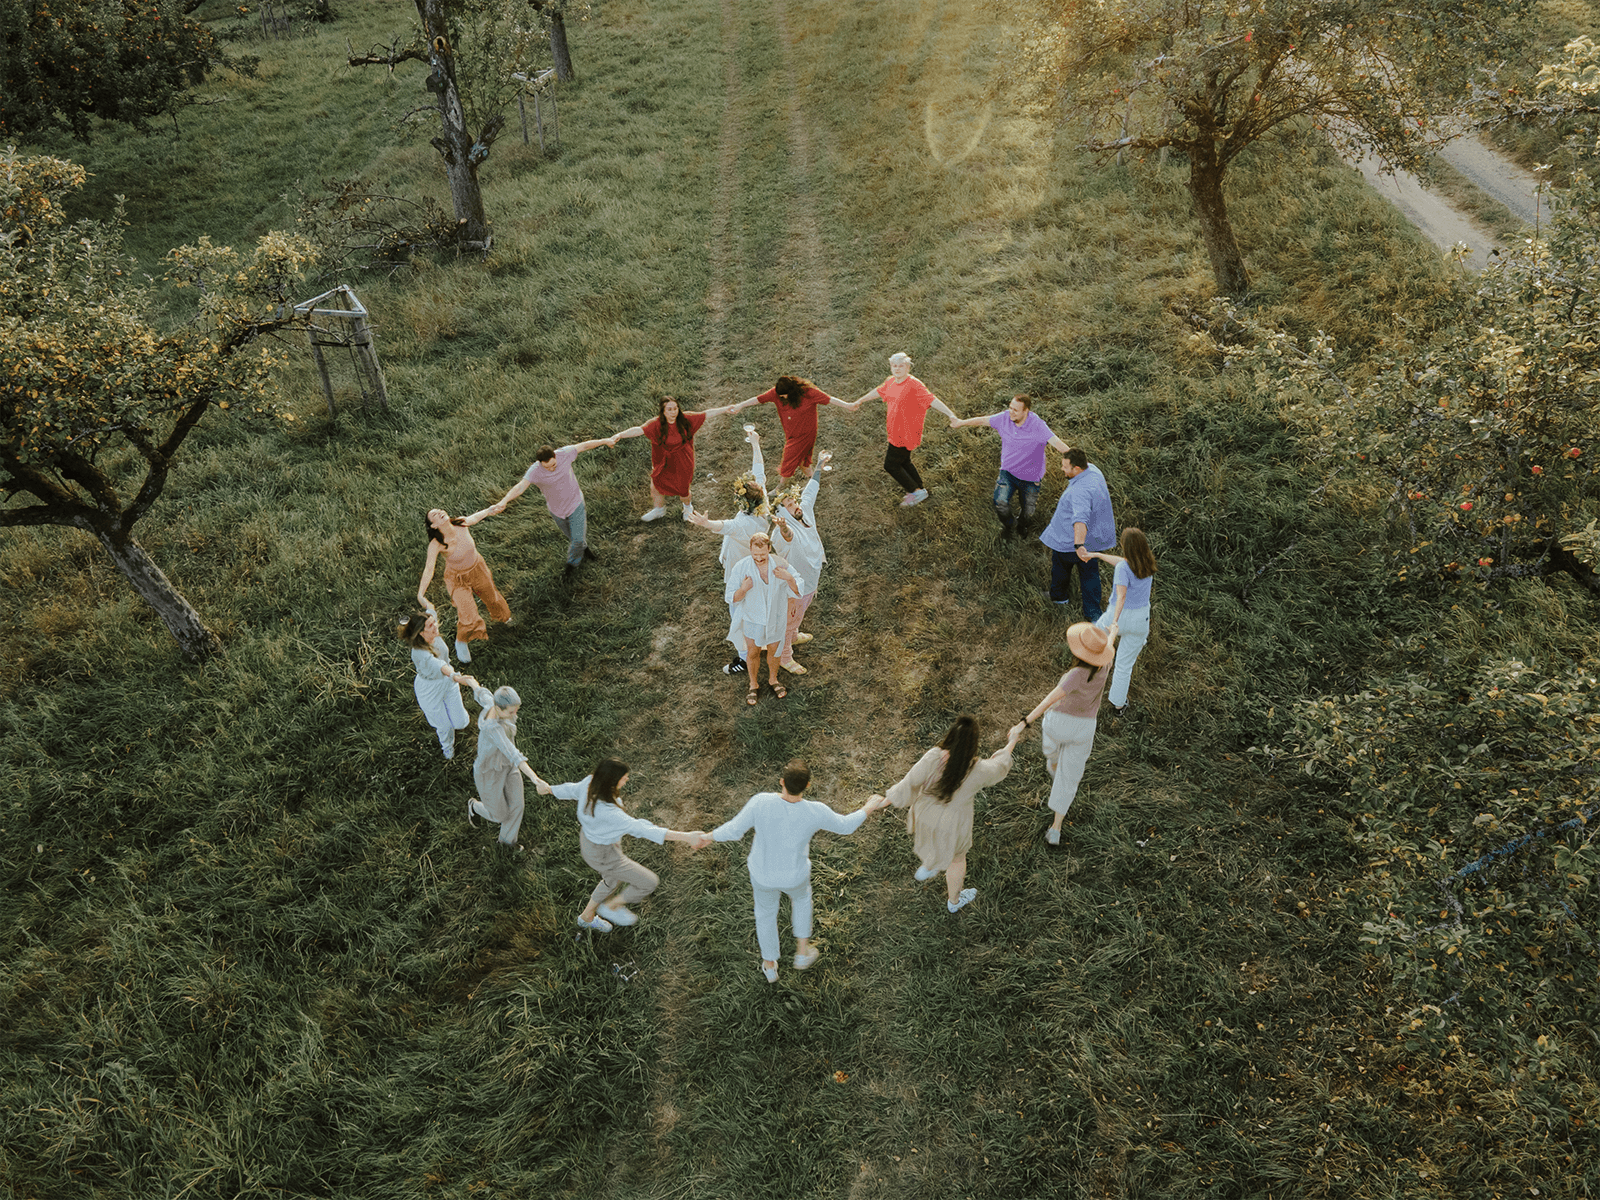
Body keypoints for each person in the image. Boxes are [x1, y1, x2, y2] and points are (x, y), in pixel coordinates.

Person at [710, 761, 890, 982]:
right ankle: (802, 953)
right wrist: (869, 806)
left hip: (762, 875)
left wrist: (708, 837)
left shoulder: (761, 802)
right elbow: (845, 826)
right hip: (795, 876)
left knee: (765, 915)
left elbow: (734, 829)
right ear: (807, 786)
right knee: (803, 901)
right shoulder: (815, 811)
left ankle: (769, 966)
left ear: (782, 782)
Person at [532, 758, 709, 932]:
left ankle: (586, 917)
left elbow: (571, 789)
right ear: (612, 782)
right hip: (604, 854)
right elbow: (643, 829)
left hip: (590, 843)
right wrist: (687, 837)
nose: (627, 779)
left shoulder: (590, 784)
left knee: (611, 881)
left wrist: (549, 789)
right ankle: (611, 907)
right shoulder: (609, 813)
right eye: (624, 777)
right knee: (648, 882)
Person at [884, 716, 1023, 913]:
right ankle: (954, 901)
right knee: (957, 859)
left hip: (925, 814)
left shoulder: (933, 756)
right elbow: (999, 766)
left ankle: (929, 866)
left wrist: (887, 799)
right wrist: (1012, 741)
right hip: (953, 824)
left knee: (932, 838)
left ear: (950, 736)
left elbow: (909, 782)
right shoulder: (977, 770)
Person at [1010, 622, 1117, 845]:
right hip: (1086, 728)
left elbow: (1049, 700)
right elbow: (1110, 646)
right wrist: (1113, 632)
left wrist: (1023, 723)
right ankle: (1055, 828)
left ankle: (1053, 762)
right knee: (1070, 777)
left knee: (1051, 748)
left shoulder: (1075, 674)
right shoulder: (1106, 664)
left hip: (1060, 724)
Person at [688, 429, 775, 676]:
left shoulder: (745, 524)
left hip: (741, 570)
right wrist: (756, 444)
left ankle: (745, 658)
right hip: (755, 564)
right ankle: (764, 638)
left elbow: (724, 526)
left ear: (743, 503)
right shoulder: (762, 501)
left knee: (738, 612)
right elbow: (759, 470)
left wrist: (705, 523)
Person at [491, 437, 619, 578]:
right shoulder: (535, 471)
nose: (551, 469)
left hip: (575, 504)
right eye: (547, 467)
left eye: (553, 465)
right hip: (557, 511)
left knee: (576, 540)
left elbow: (585, 446)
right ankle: (584, 549)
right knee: (574, 538)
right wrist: (504, 501)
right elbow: (520, 487)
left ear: (555, 456)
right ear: (540, 463)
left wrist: (606, 441)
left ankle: (571, 565)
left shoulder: (564, 453)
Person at [949, 394, 1069, 540]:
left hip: (1031, 478)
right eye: (1010, 408)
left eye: (1015, 410)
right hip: (1008, 472)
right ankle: (1010, 525)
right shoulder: (1004, 418)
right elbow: (983, 420)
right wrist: (961, 422)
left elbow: (1057, 443)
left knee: (1028, 511)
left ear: (1026, 411)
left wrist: (1077, 460)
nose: (1011, 412)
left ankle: (1022, 525)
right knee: (999, 503)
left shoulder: (1038, 426)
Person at [852, 352, 963, 507]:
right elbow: (879, 391)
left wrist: (951, 414)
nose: (897, 369)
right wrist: (860, 400)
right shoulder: (891, 381)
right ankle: (919, 489)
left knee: (891, 465)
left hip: (906, 433)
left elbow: (932, 399)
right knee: (904, 461)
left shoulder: (914, 385)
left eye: (901, 366)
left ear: (908, 367)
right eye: (894, 366)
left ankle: (915, 492)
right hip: (894, 431)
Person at [612, 395, 743, 521]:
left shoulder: (686, 419)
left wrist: (725, 409)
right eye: (669, 409)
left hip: (682, 461)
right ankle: (659, 510)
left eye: (675, 408)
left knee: (683, 490)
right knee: (656, 485)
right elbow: (639, 430)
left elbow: (706, 414)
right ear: (663, 411)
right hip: (663, 462)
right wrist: (619, 435)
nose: (673, 412)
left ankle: (687, 508)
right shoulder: (656, 424)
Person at [417, 506, 510, 663]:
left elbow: (476, 517)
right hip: (457, 579)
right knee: (467, 613)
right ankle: (461, 641)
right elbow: (429, 569)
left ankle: (504, 618)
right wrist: (420, 593)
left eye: (439, 510)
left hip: (477, 569)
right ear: (434, 525)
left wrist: (490, 510)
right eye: (435, 515)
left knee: (492, 598)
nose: (440, 512)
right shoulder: (436, 544)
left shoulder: (461, 523)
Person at [733, 374, 863, 481]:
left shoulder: (808, 392)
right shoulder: (776, 393)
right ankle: (813, 480)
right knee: (804, 461)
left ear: (792, 391)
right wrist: (740, 405)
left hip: (806, 433)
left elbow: (829, 399)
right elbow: (759, 399)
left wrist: (848, 405)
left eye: (784, 395)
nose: (782, 398)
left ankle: (782, 486)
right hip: (791, 432)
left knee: (788, 459)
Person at [769, 450, 830, 675]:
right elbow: (788, 536)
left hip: (810, 580)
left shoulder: (804, 513)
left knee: (799, 613)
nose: (795, 505)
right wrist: (783, 526)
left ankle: (794, 635)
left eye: (793, 501)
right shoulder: (782, 532)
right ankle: (785, 656)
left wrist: (820, 464)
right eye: (789, 505)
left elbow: (811, 489)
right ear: (782, 513)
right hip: (794, 586)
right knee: (789, 620)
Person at [1038, 448, 1116, 623]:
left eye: (1065, 467)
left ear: (1077, 468)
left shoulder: (1080, 491)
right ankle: (1093, 614)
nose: (1062, 469)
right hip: (1093, 539)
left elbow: (1080, 519)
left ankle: (1059, 598)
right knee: (1090, 575)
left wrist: (1079, 546)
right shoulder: (1093, 470)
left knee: (1061, 568)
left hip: (1069, 540)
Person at [725, 533, 803, 705]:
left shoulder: (780, 564)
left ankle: (773, 679)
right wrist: (743, 589)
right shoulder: (741, 567)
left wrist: (788, 578)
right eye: (755, 554)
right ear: (750, 549)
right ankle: (753, 684)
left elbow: (798, 586)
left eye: (762, 554)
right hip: (752, 618)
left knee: (775, 651)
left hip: (776, 617)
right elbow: (730, 597)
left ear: (769, 548)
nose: (759, 558)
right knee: (753, 652)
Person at [467, 682, 543, 852]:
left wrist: (471, 682)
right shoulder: (493, 729)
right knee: (499, 815)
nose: (515, 714)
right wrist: (535, 779)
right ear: (498, 708)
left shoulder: (492, 703)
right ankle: (475, 807)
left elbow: (482, 694)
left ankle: (506, 844)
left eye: (516, 710)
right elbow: (513, 754)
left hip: (508, 767)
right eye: (511, 712)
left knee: (517, 805)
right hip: (489, 773)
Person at [1089, 527, 1157, 715]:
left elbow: (1121, 596)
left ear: (1125, 547)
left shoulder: (1122, 569)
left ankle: (1082, 682)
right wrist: (1098, 555)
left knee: (1092, 645)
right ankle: (1118, 705)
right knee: (1124, 665)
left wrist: (1115, 622)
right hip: (1140, 620)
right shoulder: (1147, 564)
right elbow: (1121, 562)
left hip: (1117, 616)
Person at [397, 601, 473, 759]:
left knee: (461, 723)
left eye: (434, 622)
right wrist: (457, 677)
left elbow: (430, 606)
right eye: (431, 626)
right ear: (421, 633)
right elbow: (441, 667)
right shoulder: (420, 653)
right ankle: (448, 748)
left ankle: (455, 716)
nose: (435, 626)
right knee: (444, 725)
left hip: (447, 682)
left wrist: (421, 595)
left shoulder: (430, 626)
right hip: (429, 688)